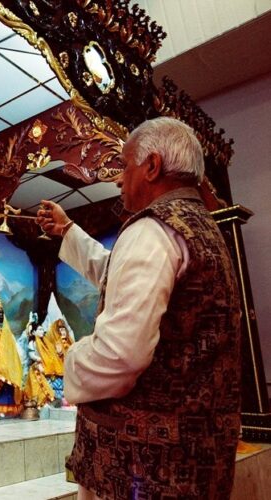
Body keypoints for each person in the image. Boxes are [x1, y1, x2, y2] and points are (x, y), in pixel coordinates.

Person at [37, 117, 241, 499]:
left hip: (141, 470)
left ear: (152, 166)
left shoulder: (150, 229)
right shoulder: (199, 227)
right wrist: (67, 231)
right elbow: (117, 272)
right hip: (197, 461)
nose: (119, 179)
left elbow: (119, 356)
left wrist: (70, 360)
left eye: (125, 164)